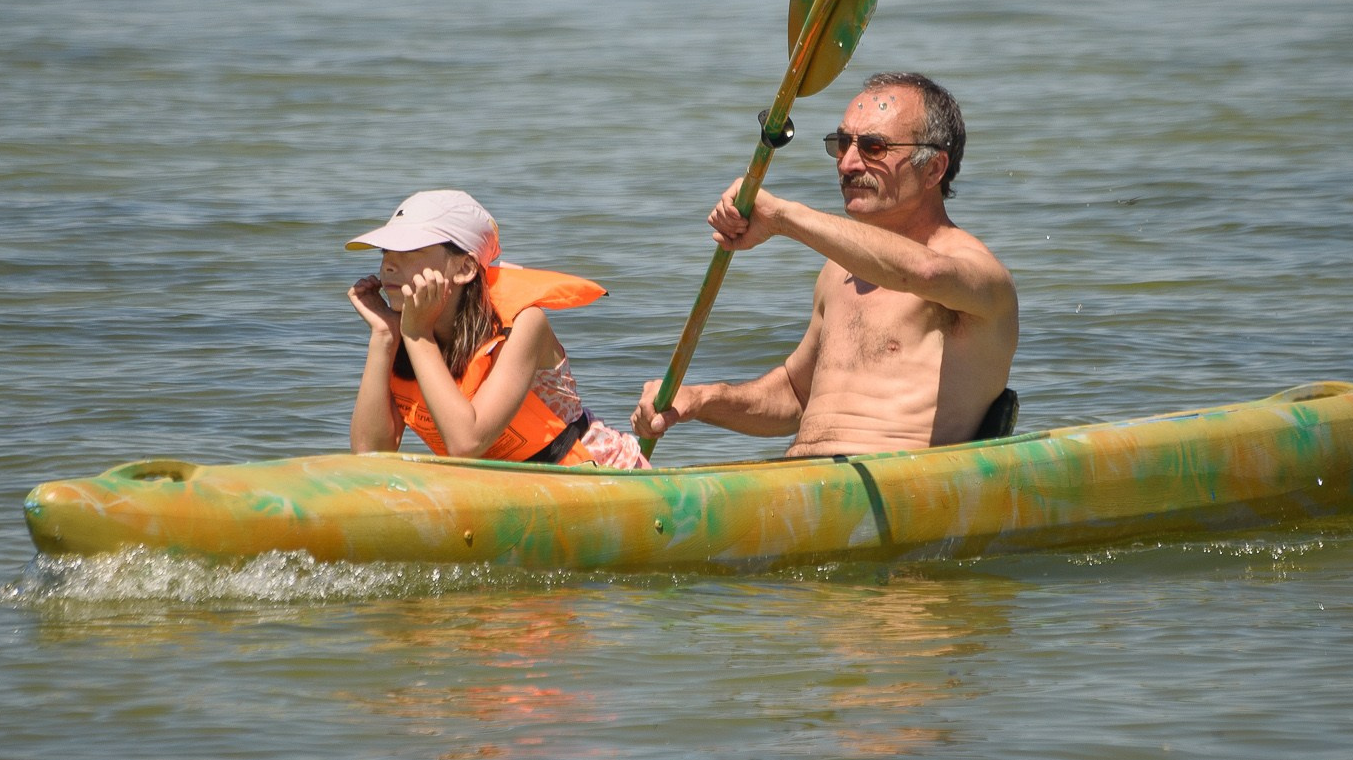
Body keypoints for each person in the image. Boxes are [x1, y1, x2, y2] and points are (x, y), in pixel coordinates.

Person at [632, 72, 1018, 457]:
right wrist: (700, 399)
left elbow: (924, 273)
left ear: (933, 168)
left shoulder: (978, 273)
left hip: (901, 492)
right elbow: (796, 395)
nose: (848, 163)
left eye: (874, 148)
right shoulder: (839, 271)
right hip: (797, 484)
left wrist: (783, 217)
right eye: (842, 143)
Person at [347, 189, 648, 468]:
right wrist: (384, 336)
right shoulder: (407, 329)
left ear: (464, 268)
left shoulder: (523, 324)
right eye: (385, 252)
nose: (387, 265)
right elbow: (369, 454)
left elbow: (467, 443)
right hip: (504, 489)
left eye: (409, 251)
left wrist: (417, 336)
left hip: (597, 473)